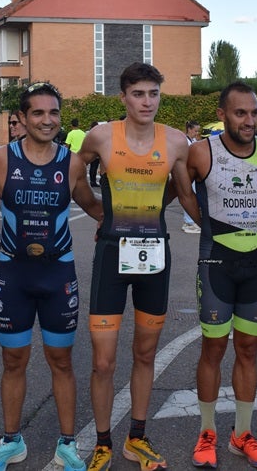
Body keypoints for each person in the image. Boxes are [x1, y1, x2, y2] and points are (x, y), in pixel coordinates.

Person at [0, 83, 103, 471]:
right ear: (22, 119)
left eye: (54, 113)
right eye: (38, 113)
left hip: (58, 275)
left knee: (61, 361)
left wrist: (131, 218)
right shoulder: (0, 160)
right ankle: (12, 441)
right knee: (13, 360)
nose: (48, 120)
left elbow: (92, 206)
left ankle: (66, 444)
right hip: (13, 275)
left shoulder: (72, 162)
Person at [76, 62, 198, 471]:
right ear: (123, 97)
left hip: (155, 256)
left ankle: (137, 440)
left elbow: (183, 195)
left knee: (145, 353)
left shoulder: (176, 142)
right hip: (111, 255)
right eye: (139, 94)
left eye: (154, 94)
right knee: (103, 360)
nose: (148, 102)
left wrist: (233, 235)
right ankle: (104, 443)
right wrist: (100, 215)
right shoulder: (101, 136)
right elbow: (75, 180)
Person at [188, 82, 257, 468]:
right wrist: (207, 227)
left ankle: (241, 434)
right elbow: (179, 189)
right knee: (213, 349)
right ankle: (206, 432)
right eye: (240, 113)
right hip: (216, 266)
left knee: (248, 350)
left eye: (254, 113)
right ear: (222, 114)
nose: (249, 120)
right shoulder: (201, 151)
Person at [181, 120, 202, 234]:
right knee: (188, 196)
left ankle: (189, 221)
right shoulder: (184, 141)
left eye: (198, 131)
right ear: (189, 129)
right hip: (186, 171)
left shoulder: (193, 140)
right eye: (195, 131)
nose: (197, 133)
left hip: (193, 171)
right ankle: (189, 222)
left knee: (193, 196)